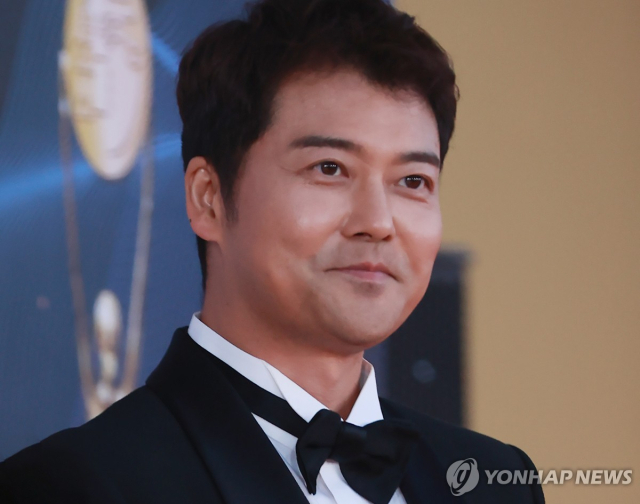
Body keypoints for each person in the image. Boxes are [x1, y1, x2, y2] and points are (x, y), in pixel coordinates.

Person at [0, 0, 545, 503]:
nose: (378, 223)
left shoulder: (495, 481)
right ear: (209, 198)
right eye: (329, 169)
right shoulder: (75, 484)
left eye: (413, 181)